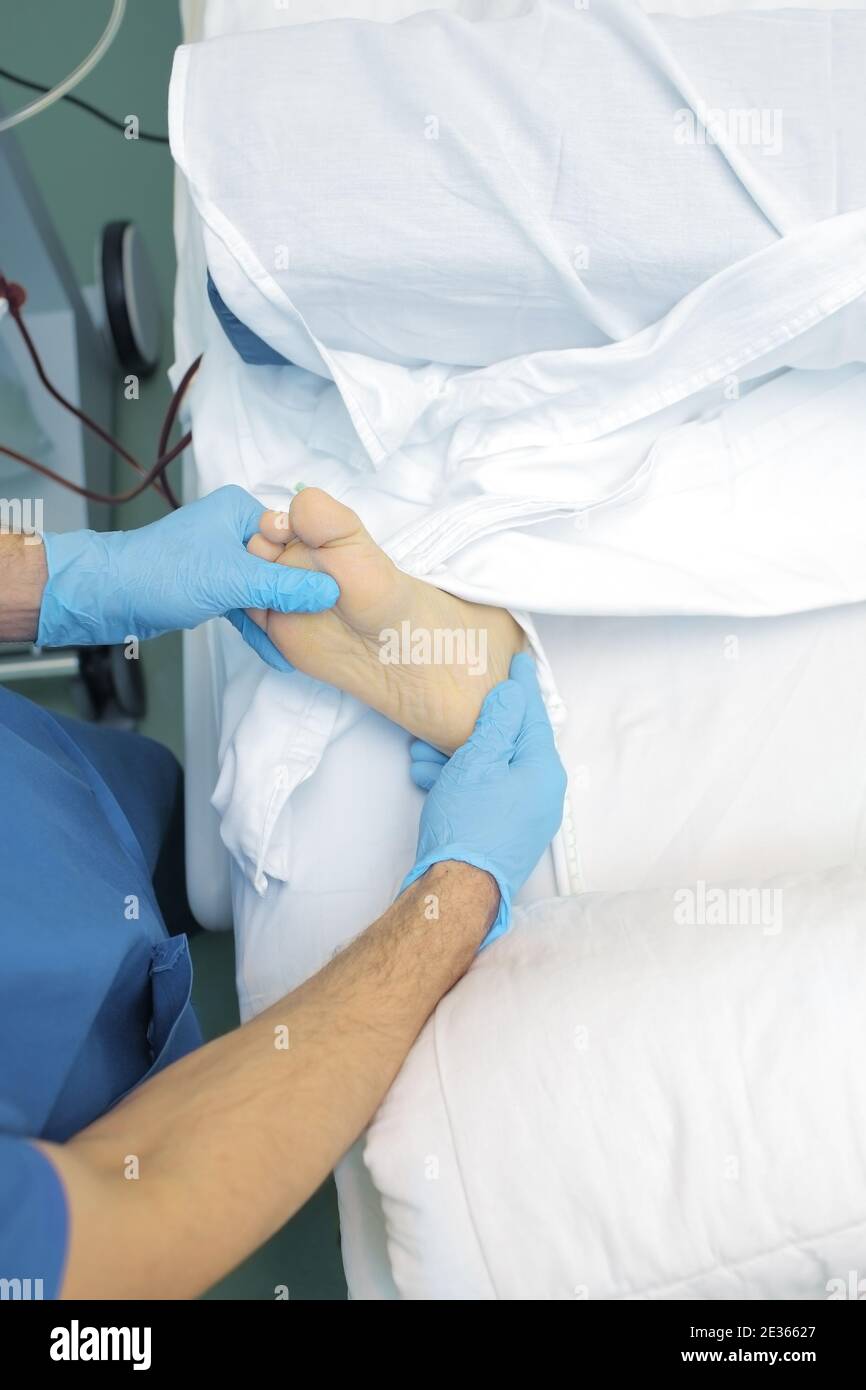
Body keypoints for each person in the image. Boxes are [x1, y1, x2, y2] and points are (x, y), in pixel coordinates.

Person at [0, 485, 565, 1298]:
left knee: (151, 849)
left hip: (51, 813)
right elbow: (134, 1213)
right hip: (77, 1095)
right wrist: (457, 894)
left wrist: (61, 580)